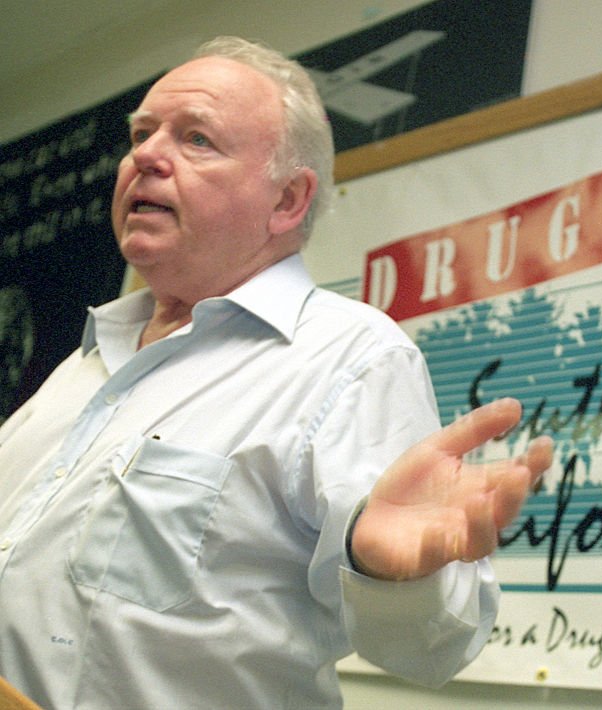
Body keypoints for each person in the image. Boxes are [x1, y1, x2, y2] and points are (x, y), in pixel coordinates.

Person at [0, 36, 552, 709]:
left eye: (196, 139)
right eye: (141, 134)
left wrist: (388, 573)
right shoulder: (81, 365)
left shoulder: (349, 356)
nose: (144, 155)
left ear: (288, 201)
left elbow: (435, 648)